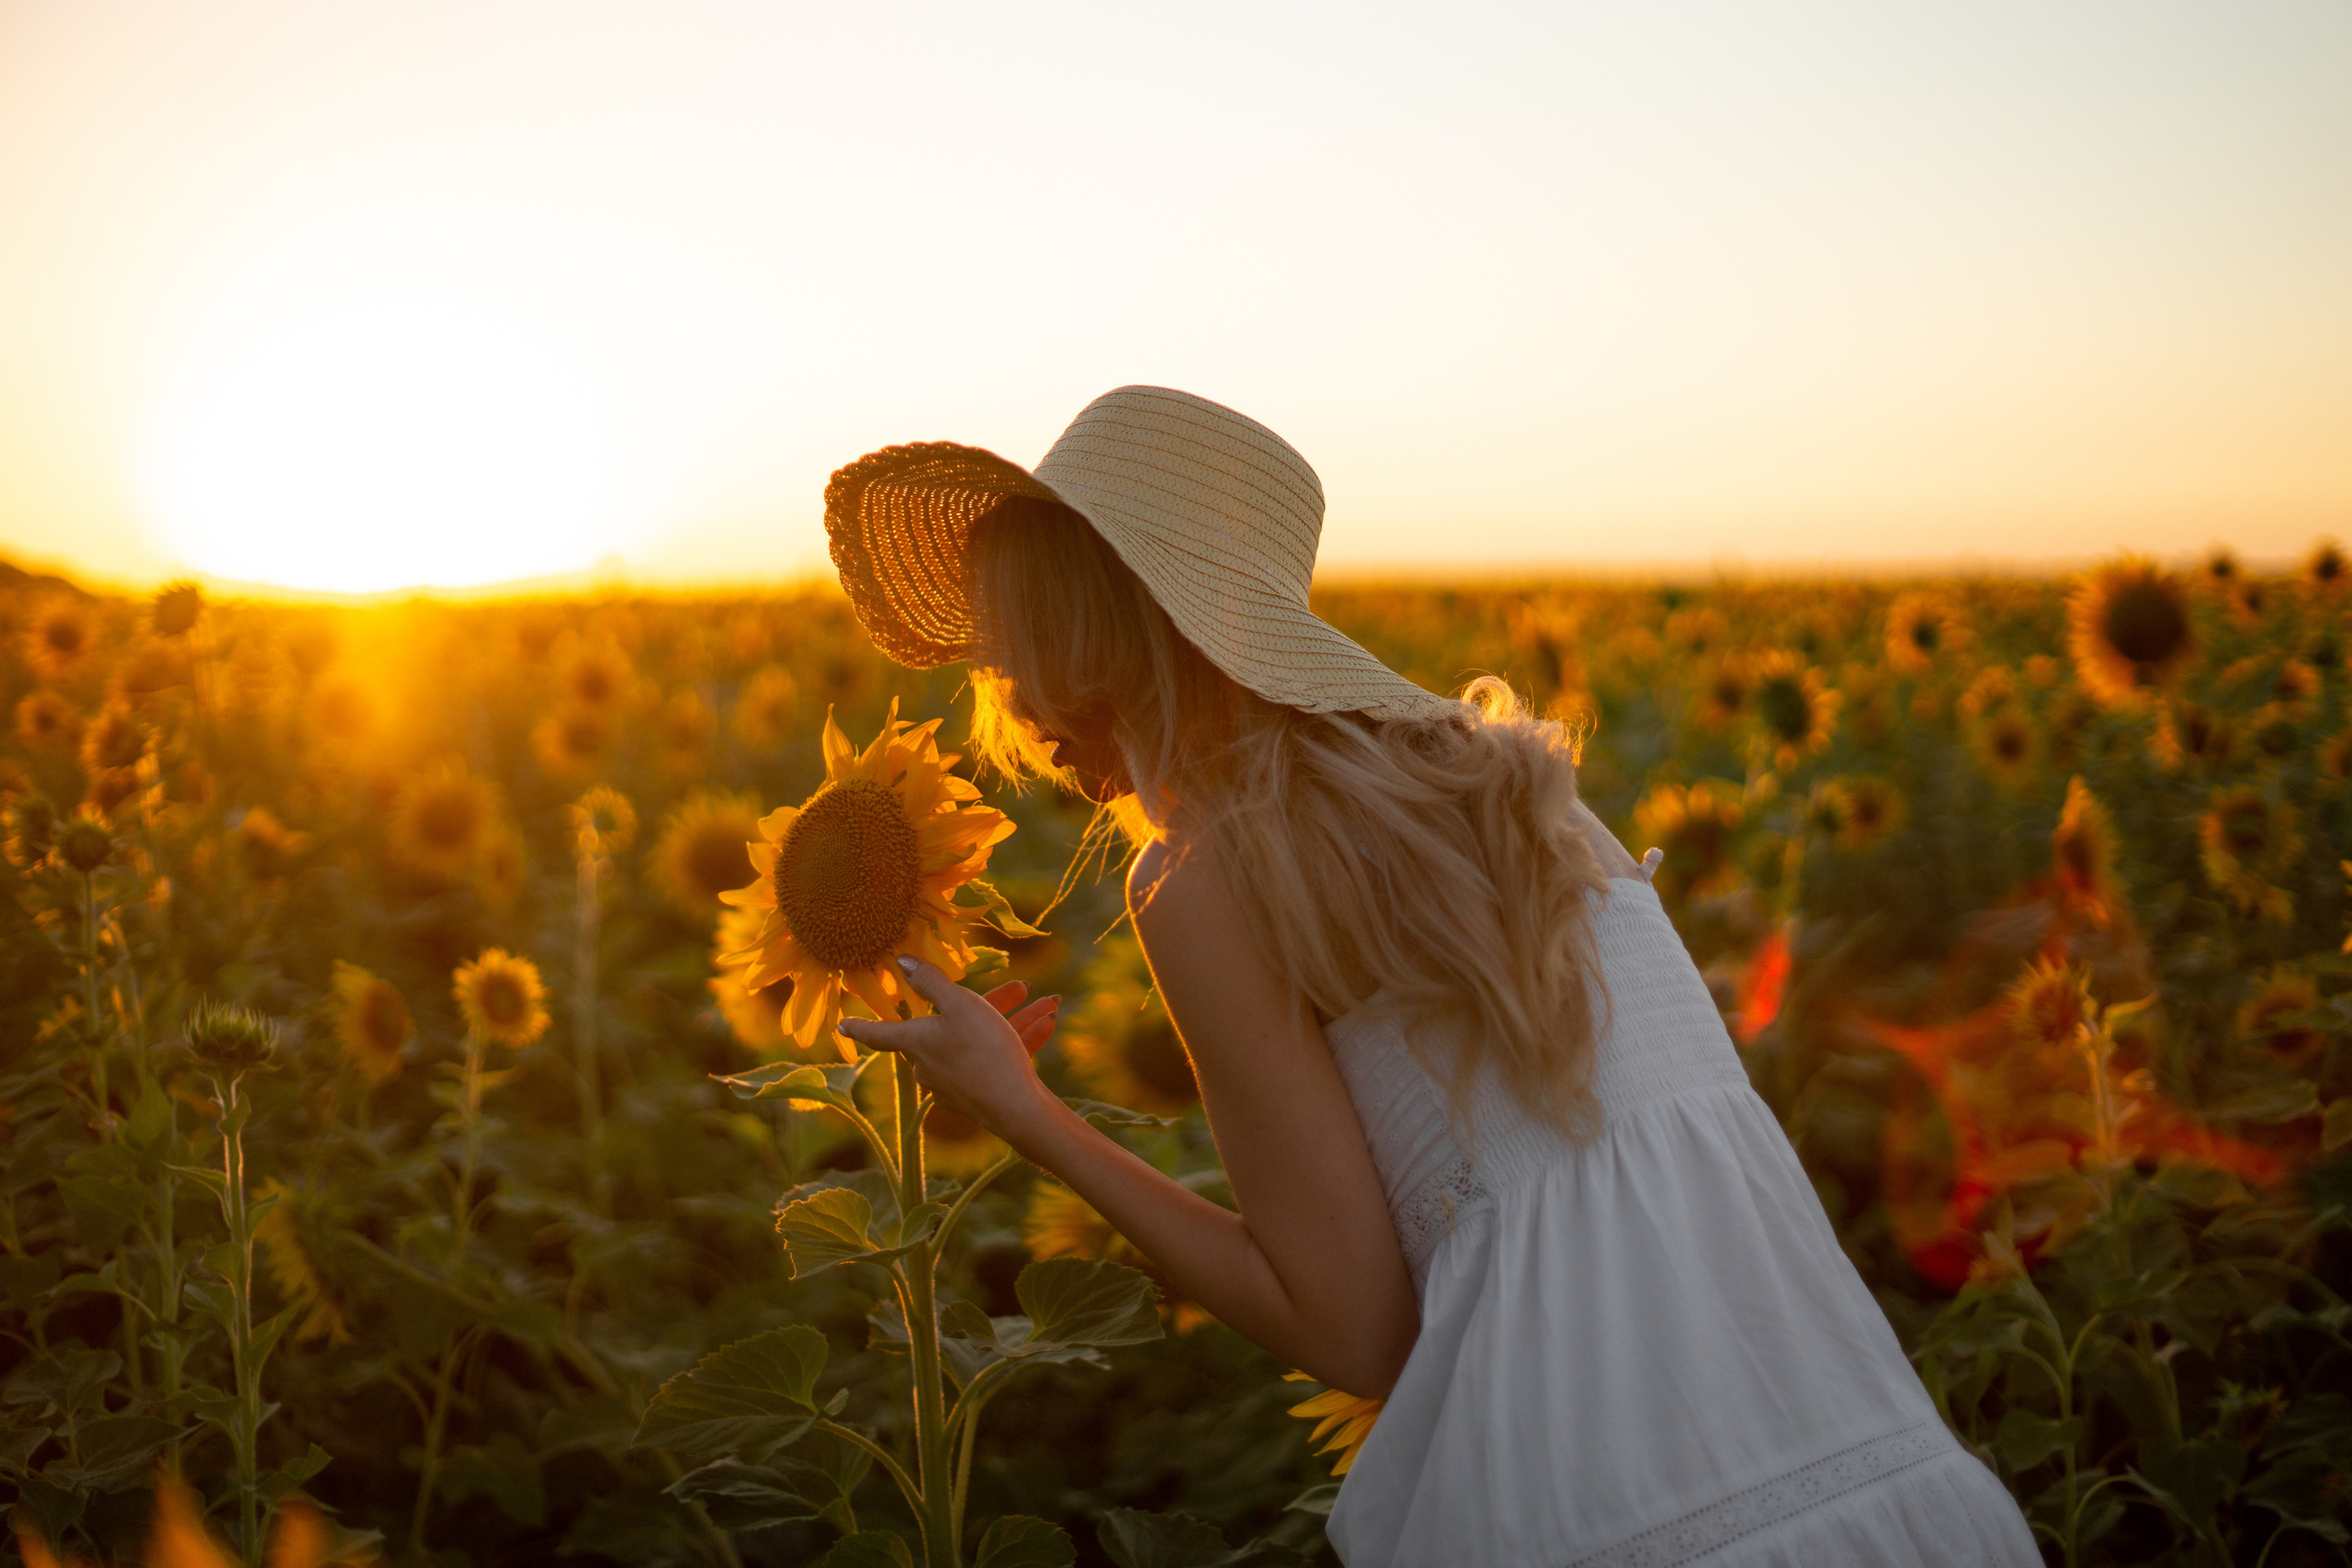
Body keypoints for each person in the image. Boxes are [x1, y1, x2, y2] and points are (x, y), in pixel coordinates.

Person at [828, 386, 2039, 1567]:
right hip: (1883, 1479)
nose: (1012, 697)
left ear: (1098, 621)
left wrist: (1023, 1112)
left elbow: (1351, 1329)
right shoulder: (1538, 809)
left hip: (1580, 1503)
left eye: (1013, 644)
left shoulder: (1202, 880)